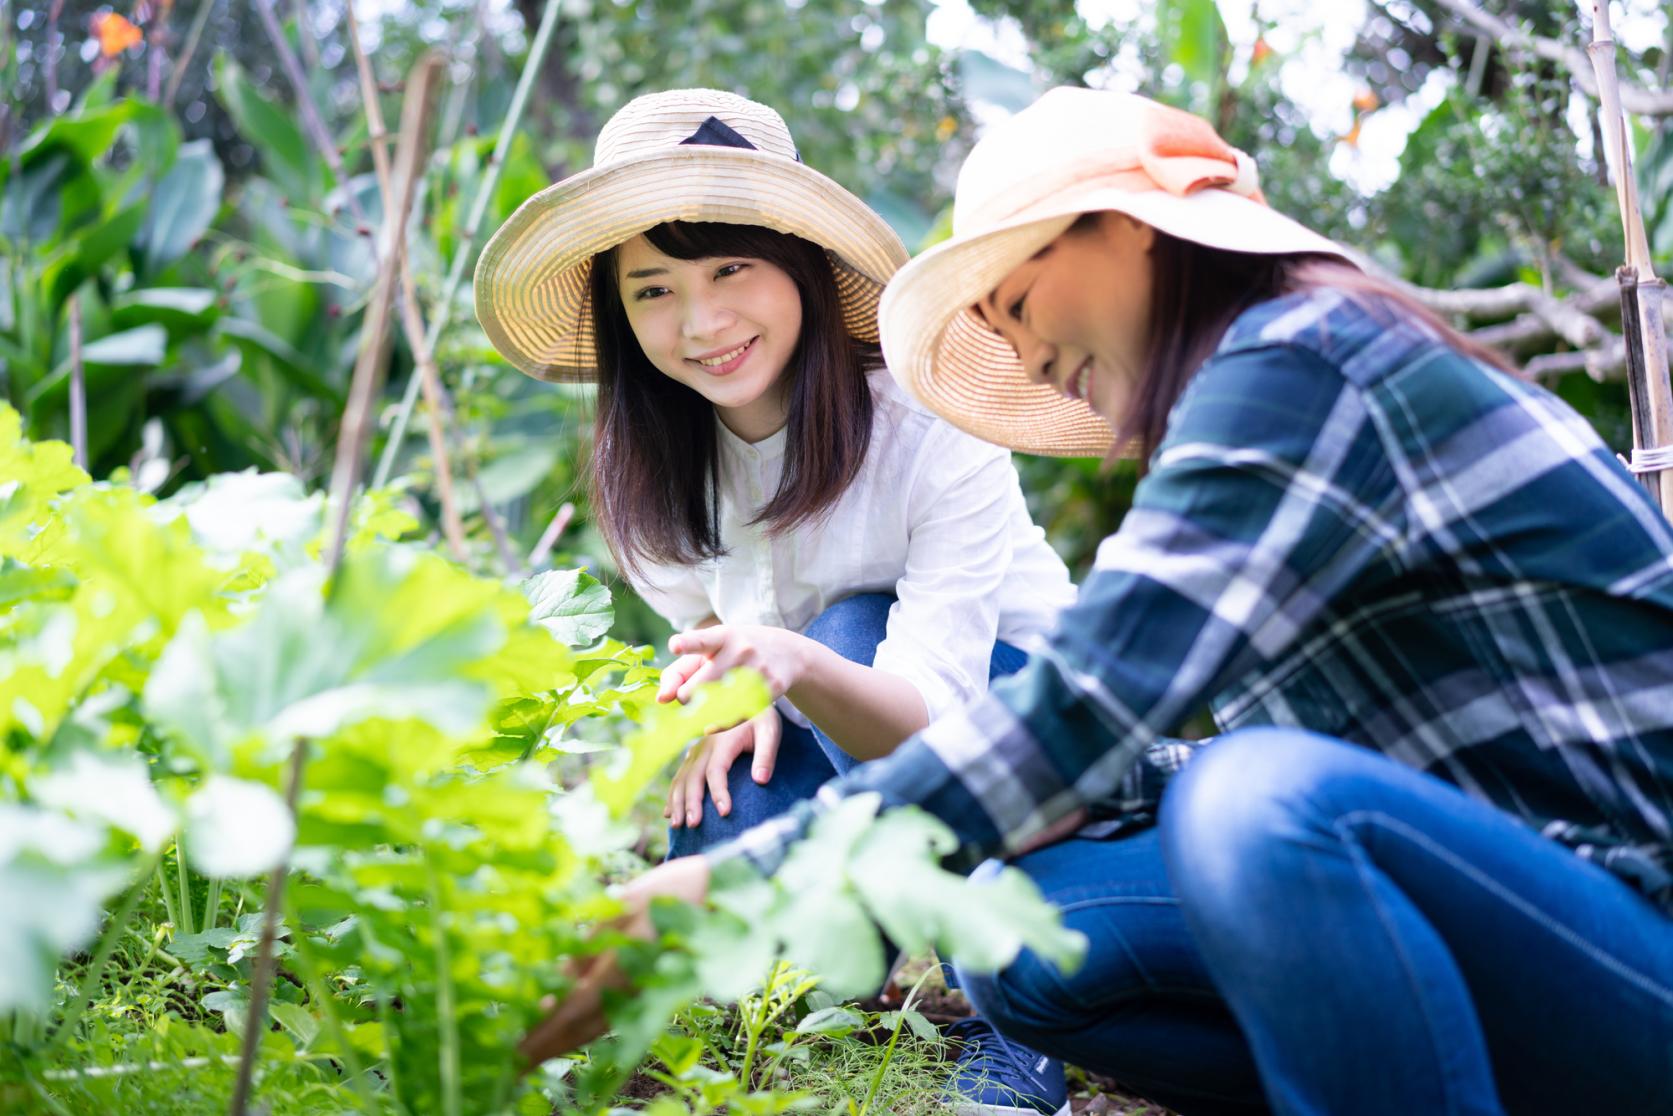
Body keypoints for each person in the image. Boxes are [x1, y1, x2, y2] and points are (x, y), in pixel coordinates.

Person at [518, 87, 1673, 1115]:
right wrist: (1064, 795)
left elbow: (1089, 709)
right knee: (1023, 946)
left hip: (1634, 935)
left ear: (1126, 233)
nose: (1015, 356)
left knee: (1260, 802)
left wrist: (725, 888)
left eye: (1015, 302)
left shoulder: (1307, 359)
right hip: (1515, 926)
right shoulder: (1263, 392)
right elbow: (1148, 748)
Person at [475, 89, 1079, 1114]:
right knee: (725, 800)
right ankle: (827, 988)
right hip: (831, 713)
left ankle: (1026, 1016)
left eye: (728, 269)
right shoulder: (654, 469)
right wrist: (732, 693)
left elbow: (928, 718)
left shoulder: (930, 426)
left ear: (799, 265)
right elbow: (711, 631)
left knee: (850, 627)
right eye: (653, 289)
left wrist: (782, 663)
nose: (700, 323)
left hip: (1021, 731)